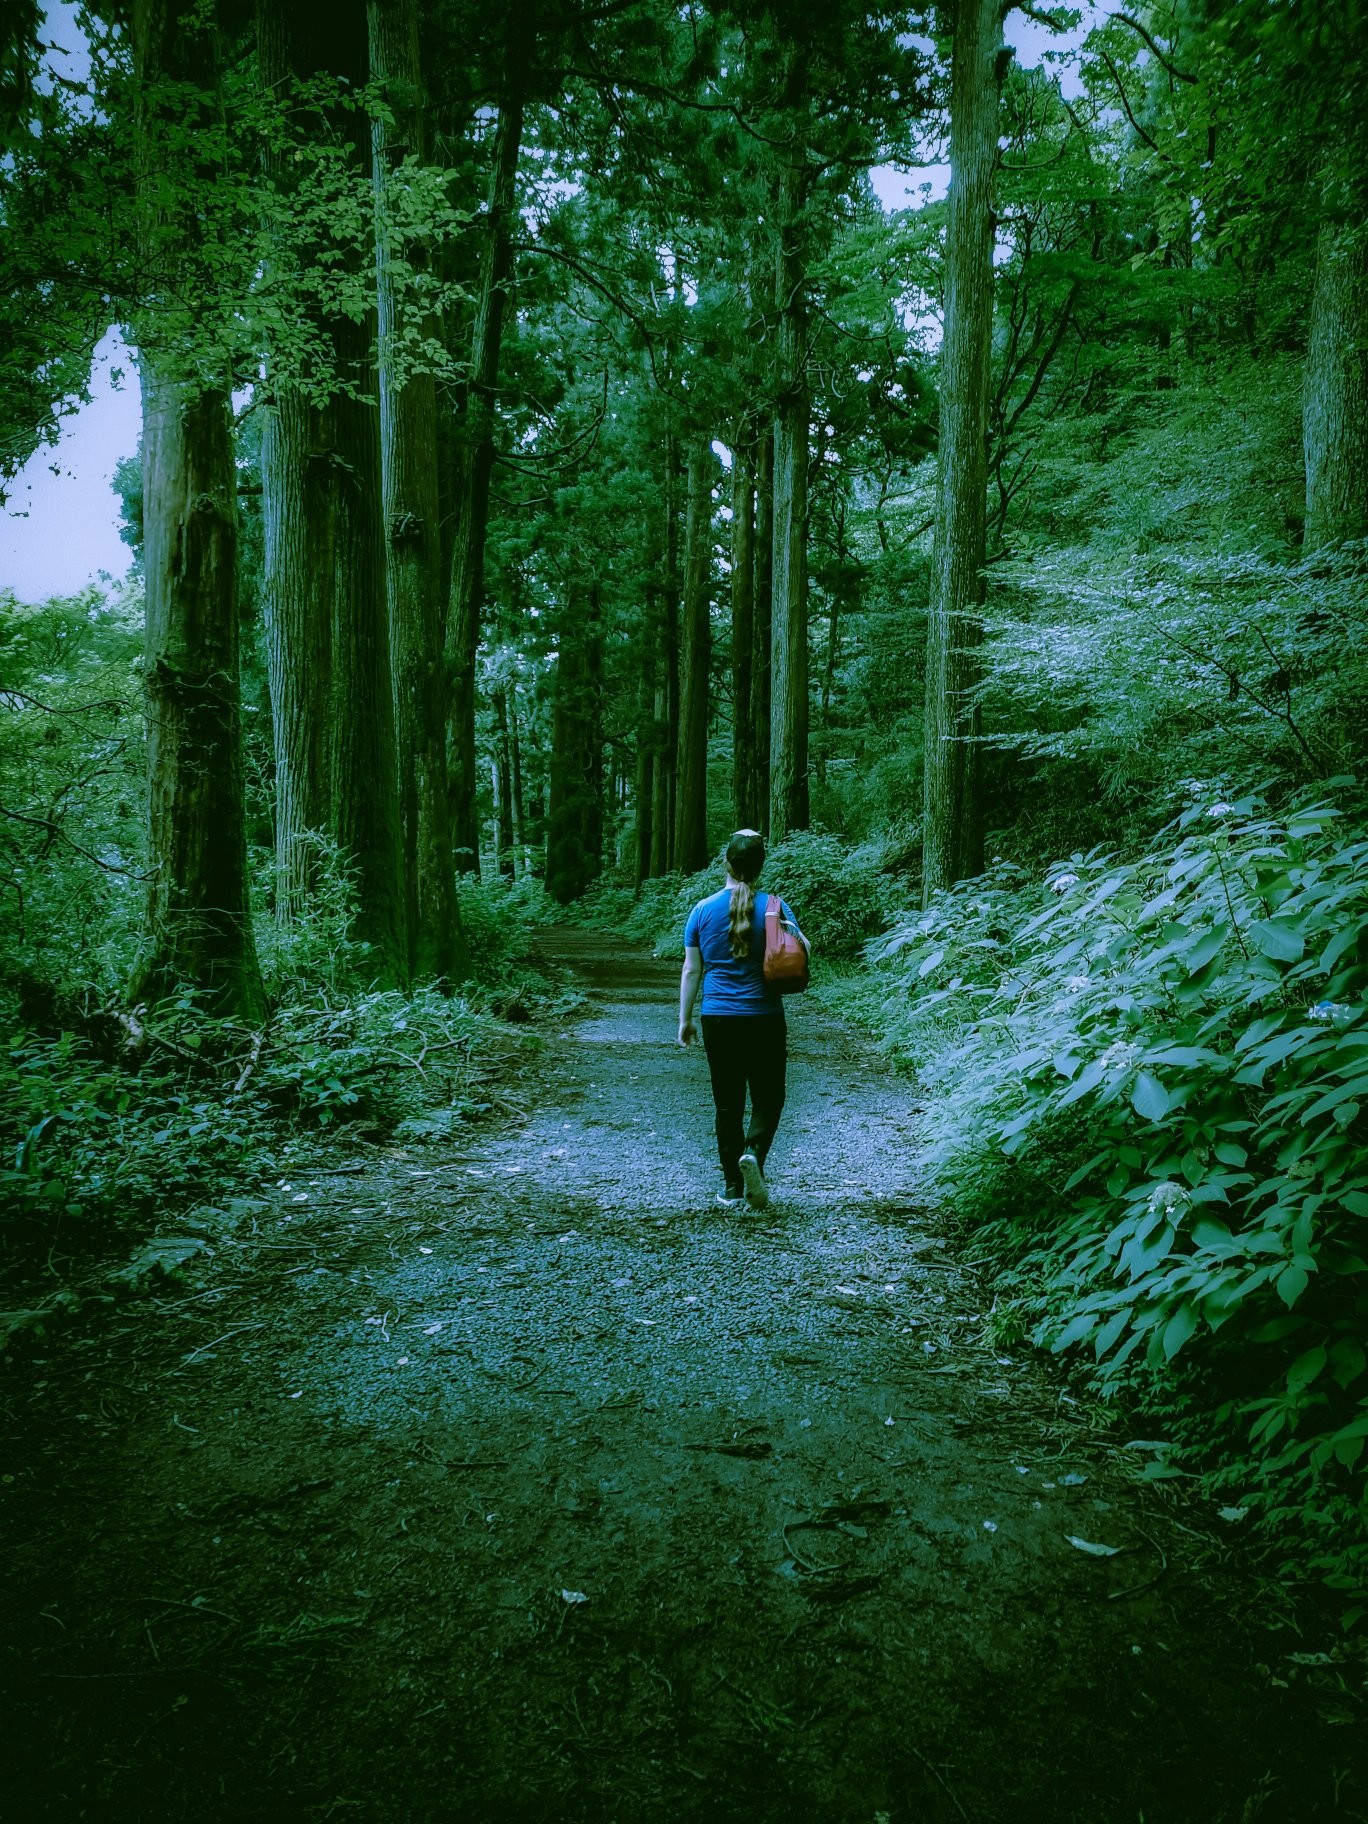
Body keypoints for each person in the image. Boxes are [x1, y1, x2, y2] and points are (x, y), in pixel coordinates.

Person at [677, 829, 807, 1210]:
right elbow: (802, 951)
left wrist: (684, 1020)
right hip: (765, 1016)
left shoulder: (702, 909)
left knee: (727, 1103)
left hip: (717, 1018)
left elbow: (691, 970)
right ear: (760, 867)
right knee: (770, 1096)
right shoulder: (775, 907)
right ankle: (753, 1152)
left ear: (726, 864)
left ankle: (733, 1187)